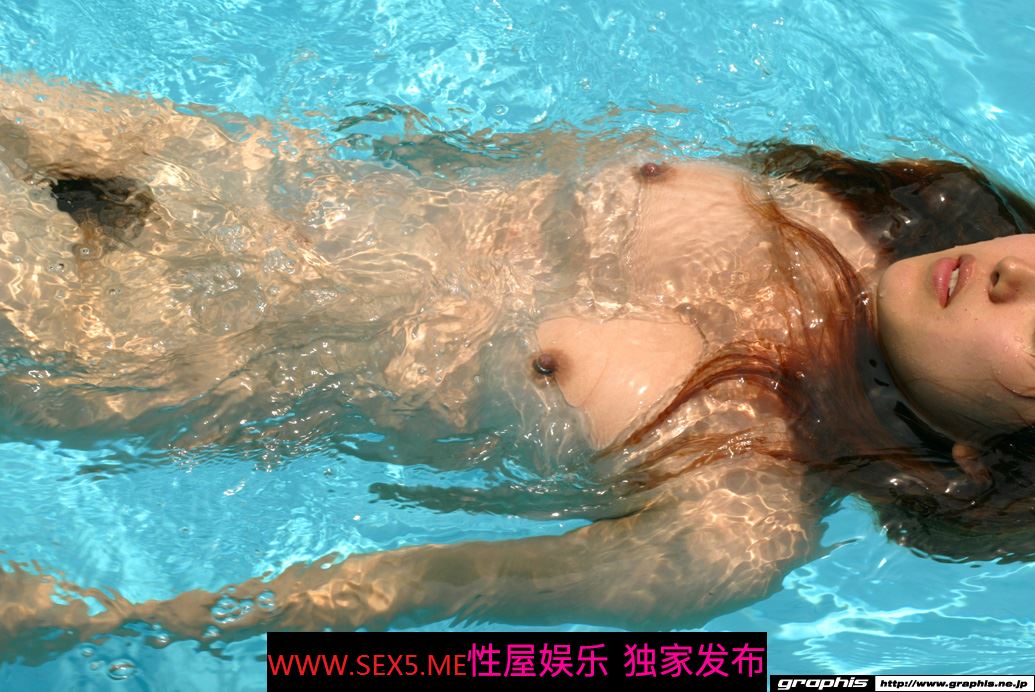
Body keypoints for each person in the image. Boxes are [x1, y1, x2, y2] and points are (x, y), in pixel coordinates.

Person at [1, 74, 1034, 656]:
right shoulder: (847, 205)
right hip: (221, 168)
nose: (1011, 273)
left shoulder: (734, 517)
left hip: (137, 345)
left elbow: (404, 593)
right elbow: (483, 160)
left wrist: (110, 621)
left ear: (986, 458)